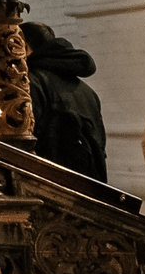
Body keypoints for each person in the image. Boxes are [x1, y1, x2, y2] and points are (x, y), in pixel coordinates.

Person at [22, 21, 108, 180]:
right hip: (90, 184)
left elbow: (26, 138)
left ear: (25, 47)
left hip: (52, 181)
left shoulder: (32, 82)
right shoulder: (87, 91)